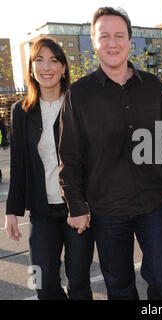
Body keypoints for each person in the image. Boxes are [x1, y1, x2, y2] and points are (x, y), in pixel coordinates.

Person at [58, 7, 162, 300]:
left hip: (153, 204)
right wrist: (76, 206)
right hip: (107, 210)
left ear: (129, 41)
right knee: (119, 285)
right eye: (104, 36)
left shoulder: (152, 86)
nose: (112, 43)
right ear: (94, 42)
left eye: (119, 36)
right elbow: (70, 156)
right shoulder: (79, 95)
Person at [4, 38, 94, 300]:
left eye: (54, 60)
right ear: (31, 68)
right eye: (39, 60)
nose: (47, 67)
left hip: (77, 209)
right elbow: (18, 164)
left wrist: (89, 204)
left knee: (78, 284)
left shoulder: (80, 106)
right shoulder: (20, 111)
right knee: (42, 283)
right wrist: (11, 211)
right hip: (41, 213)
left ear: (64, 67)